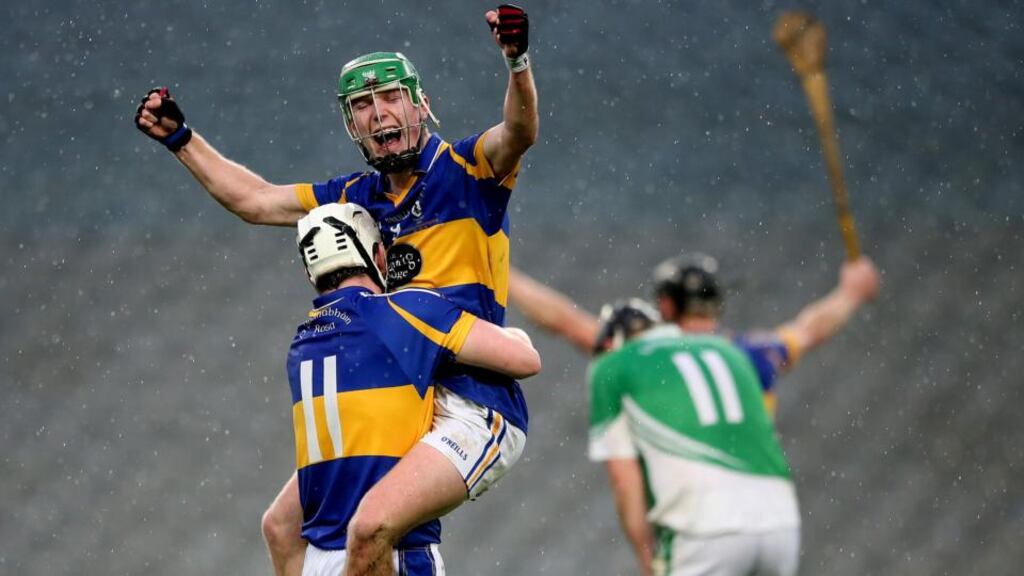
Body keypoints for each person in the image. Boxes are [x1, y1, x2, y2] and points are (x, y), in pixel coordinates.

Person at [134, 6, 538, 575]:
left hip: (472, 404)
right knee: (281, 527)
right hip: (398, 405)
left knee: (370, 527)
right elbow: (256, 201)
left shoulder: (467, 169)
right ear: (352, 125)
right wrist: (181, 138)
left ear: (420, 104)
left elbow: (520, 131)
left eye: (390, 98)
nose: (379, 115)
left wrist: (516, 62)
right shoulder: (352, 196)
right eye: (363, 107)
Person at [507, 254, 880, 575]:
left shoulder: (634, 355)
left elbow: (567, 322)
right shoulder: (747, 353)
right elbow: (810, 329)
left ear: (665, 307)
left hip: (702, 523)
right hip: (778, 518)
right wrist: (851, 292)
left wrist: (502, 270)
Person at [287, 202, 540, 575]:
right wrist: (514, 335)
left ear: (312, 273)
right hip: (390, 555)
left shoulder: (301, 344)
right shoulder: (407, 310)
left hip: (317, 562)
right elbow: (526, 362)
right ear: (378, 254)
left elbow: (279, 530)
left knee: (277, 524)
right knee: (373, 525)